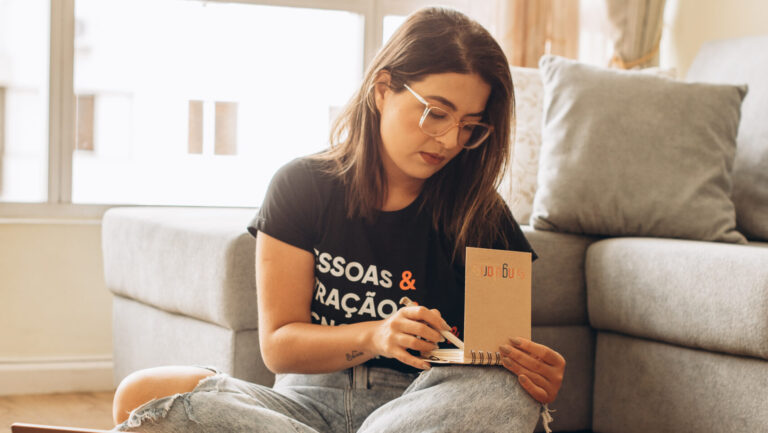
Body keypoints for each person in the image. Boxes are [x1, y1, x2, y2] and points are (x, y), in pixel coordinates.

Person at [111, 6, 566, 433]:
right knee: (142, 394)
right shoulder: (301, 186)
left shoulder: (484, 217)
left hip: (420, 408)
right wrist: (376, 335)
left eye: (469, 126)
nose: (449, 140)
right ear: (383, 89)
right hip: (300, 407)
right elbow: (278, 346)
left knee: (505, 390)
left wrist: (531, 375)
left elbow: (493, 366)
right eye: (436, 113)